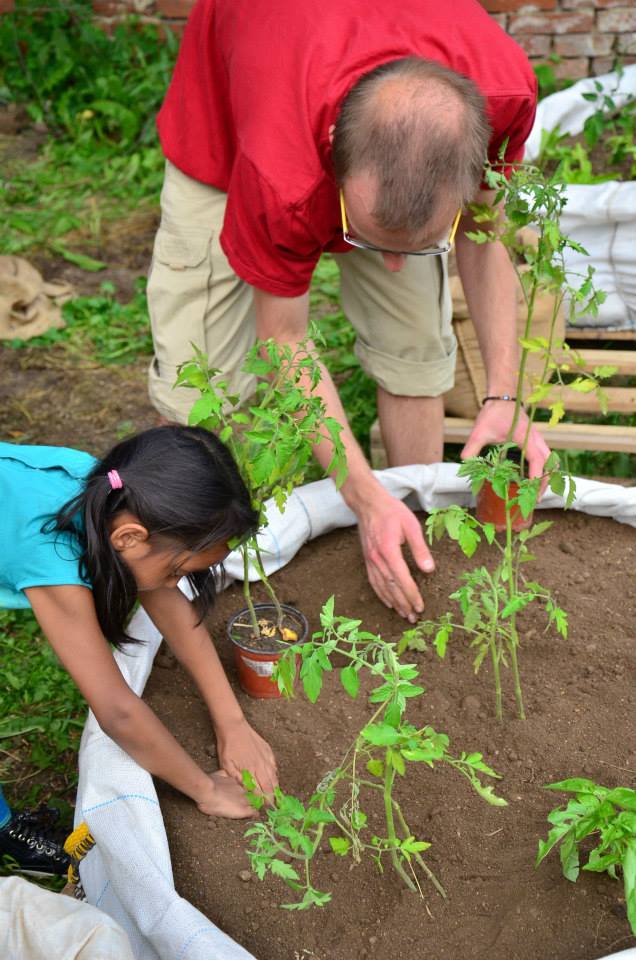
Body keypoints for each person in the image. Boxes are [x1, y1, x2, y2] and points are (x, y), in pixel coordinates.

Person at [147, 0, 550, 626]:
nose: (391, 266)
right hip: (232, 132)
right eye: (367, 238)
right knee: (199, 384)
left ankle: (411, 541)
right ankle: (192, 574)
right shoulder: (278, 171)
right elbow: (282, 337)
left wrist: (504, 398)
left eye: (415, 245)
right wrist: (362, 497)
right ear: (334, 152)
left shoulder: (503, 96)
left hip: (360, 99)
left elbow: (482, 232)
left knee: (415, 347)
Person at [0, 426, 277, 875]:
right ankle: (3, 829)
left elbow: (169, 607)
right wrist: (206, 789)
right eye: (176, 571)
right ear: (129, 538)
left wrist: (232, 721)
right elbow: (117, 710)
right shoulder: (51, 558)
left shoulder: (114, 490)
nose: (173, 586)